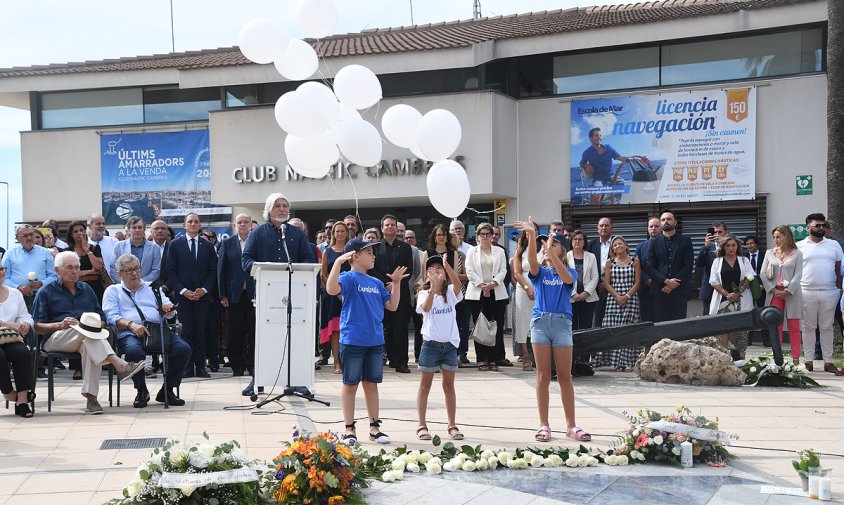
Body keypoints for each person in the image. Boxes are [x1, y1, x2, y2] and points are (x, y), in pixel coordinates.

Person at [32, 251, 144, 414]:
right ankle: (118, 363)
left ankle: (92, 399)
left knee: (89, 343)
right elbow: (36, 326)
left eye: (77, 267)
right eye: (69, 267)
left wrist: (98, 324)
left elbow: (102, 317)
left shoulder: (86, 289)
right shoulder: (46, 291)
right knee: (89, 335)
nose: (74, 271)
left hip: (84, 337)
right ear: (57, 270)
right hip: (55, 338)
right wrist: (59, 325)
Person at [513, 217, 589, 443]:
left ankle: (571, 426)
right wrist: (530, 237)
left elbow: (566, 278)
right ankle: (544, 424)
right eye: (545, 245)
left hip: (562, 324)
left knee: (565, 376)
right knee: (543, 375)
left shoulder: (570, 273)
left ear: (562, 252)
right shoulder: (541, 274)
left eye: (553, 244)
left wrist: (553, 255)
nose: (547, 247)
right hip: (541, 323)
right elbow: (532, 264)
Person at [325, 237, 407, 445]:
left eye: (373, 253)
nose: (373, 256)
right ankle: (349, 429)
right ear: (355, 256)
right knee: (350, 384)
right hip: (353, 340)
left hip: (375, 340)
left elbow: (392, 306)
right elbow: (331, 290)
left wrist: (396, 283)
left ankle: (374, 427)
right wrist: (337, 262)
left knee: (371, 384)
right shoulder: (349, 278)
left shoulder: (376, 282)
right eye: (368, 253)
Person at [240, 193, 315, 395]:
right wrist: (257, 268)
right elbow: (246, 259)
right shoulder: (258, 233)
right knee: (264, 338)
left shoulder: (297, 234)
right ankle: (259, 379)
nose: (282, 210)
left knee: (294, 336)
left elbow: (308, 259)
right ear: (268, 210)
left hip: (295, 295)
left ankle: (296, 380)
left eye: (284, 206)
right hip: (266, 294)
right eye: (277, 206)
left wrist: (300, 269)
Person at [103, 253, 192, 407]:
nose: (135, 273)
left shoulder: (153, 287)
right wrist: (131, 324)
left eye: (137, 268)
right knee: (133, 353)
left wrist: (167, 309)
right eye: (129, 270)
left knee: (183, 349)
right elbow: (111, 316)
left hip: (157, 331)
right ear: (120, 274)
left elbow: (169, 310)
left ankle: (167, 390)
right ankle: (141, 390)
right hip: (130, 332)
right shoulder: (113, 291)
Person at [415, 254, 464, 441]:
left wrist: (448, 267)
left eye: (439, 269)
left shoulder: (451, 292)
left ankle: (452, 425)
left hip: (450, 345)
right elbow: (425, 309)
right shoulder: (423, 294)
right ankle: (422, 425)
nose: (435, 272)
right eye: (431, 270)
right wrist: (433, 288)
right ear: (426, 276)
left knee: (449, 385)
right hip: (430, 345)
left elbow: (458, 285)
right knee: (425, 385)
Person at [167, 213, 218, 379]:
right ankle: (187, 367)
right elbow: (171, 271)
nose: (193, 224)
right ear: (184, 225)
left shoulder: (207, 246)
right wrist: (183, 291)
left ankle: (200, 366)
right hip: (184, 297)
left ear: (200, 225)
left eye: (196, 221)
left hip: (203, 297)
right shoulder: (175, 245)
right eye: (190, 221)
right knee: (187, 331)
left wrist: (204, 289)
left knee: (201, 332)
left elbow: (212, 271)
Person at [797, 213, 843, 374]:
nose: (821, 228)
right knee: (808, 326)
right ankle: (808, 360)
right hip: (806, 291)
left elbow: (838, 269)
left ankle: (828, 362)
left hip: (830, 292)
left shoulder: (834, 245)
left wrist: (838, 289)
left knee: (827, 327)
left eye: (823, 225)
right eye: (817, 225)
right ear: (808, 227)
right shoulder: (799, 246)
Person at [370, 215, 414, 374]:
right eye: (387, 225)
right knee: (385, 328)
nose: (390, 227)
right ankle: (389, 358)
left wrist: (395, 283)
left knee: (400, 328)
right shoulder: (374, 247)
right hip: (380, 293)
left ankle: (401, 362)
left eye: (393, 225)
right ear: (382, 228)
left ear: (397, 228)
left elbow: (409, 270)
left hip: (400, 293)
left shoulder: (406, 247)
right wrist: (385, 285)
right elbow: (371, 269)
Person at [592, 236, 642, 371]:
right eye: (614, 245)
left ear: (626, 245)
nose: (618, 246)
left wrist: (626, 296)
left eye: (620, 244)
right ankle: (613, 362)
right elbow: (607, 283)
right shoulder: (609, 262)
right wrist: (618, 297)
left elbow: (637, 282)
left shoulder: (635, 261)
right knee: (611, 328)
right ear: (612, 249)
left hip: (631, 297)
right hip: (613, 298)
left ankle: (626, 362)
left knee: (628, 329)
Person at [465, 222, 509, 371]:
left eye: (487, 234)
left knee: (495, 326)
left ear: (492, 236)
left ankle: (493, 359)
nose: (485, 236)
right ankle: (481, 358)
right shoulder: (472, 251)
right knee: (480, 326)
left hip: (496, 292)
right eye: (482, 234)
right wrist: (482, 285)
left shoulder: (499, 251)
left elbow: (503, 270)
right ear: (477, 236)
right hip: (477, 293)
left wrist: (493, 283)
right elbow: (469, 271)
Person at [218, 213, 256, 377]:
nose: (243, 225)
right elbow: (221, 270)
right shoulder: (227, 243)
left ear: (251, 225)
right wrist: (223, 295)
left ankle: (252, 364)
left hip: (254, 294)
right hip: (234, 295)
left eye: (246, 222)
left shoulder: (257, 242)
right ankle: (237, 365)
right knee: (235, 332)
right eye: (239, 222)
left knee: (253, 331)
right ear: (234, 225)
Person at [760, 225, 803, 365]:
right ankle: (777, 357)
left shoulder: (797, 253)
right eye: (774, 237)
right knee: (775, 325)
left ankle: (795, 358)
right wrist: (773, 290)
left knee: (794, 325)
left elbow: (798, 275)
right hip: (774, 293)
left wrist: (788, 291)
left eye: (779, 237)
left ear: (787, 237)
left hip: (792, 293)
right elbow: (762, 274)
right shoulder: (769, 253)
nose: (776, 240)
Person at [708, 234, 754, 362]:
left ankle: (741, 358)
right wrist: (726, 294)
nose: (731, 248)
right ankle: (725, 357)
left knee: (741, 328)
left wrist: (738, 292)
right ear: (723, 247)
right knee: (724, 327)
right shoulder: (717, 261)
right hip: (723, 300)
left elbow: (749, 278)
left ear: (737, 246)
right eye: (728, 246)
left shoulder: (744, 260)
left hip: (741, 298)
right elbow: (713, 281)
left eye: (733, 245)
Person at [0, 264, 35, 417]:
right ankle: (8, 393)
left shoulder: (15, 293)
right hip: (8, 332)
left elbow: (25, 315)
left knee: (22, 353)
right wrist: (9, 324)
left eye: (1, 269)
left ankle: (22, 400)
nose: (0, 272)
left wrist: (26, 324)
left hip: (9, 337)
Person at [646, 211, 694, 322]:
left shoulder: (685, 241)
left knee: (679, 325)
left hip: (679, 290)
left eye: (669, 219)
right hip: (659, 290)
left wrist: (673, 284)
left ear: (675, 222)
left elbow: (688, 266)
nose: (666, 221)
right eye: (663, 220)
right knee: (660, 325)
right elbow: (649, 266)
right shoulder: (653, 242)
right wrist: (666, 281)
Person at [2, 224, 58, 309]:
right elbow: (4, 278)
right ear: (17, 239)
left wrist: (42, 283)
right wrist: (18, 287)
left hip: (41, 295)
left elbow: (54, 276)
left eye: (31, 234)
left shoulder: (45, 252)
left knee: (40, 321)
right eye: (25, 236)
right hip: (17, 296)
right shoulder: (10, 254)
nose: (29, 238)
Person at [319, 221, 350, 374]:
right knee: (335, 330)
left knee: (347, 328)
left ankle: (347, 361)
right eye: (337, 231)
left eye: (342, 231)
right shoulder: (327, 252)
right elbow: (323, 274)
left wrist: (344, 292)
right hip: (331, 296)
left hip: (349, 295)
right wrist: (334, 291)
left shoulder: (351, 252)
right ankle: (336, 362)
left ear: (346, 233)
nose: (339, 234)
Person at [512, 224, 541, 371]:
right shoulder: (520, 250)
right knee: (524, 324)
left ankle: (539, 357)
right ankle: (526, 356)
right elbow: (517, 273)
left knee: (540, 324)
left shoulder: (543, 249)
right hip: (523, 292)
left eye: (535, 230)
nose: (532, 232)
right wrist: (527, 288)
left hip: (542, 292)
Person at [579, 127, 631, 205]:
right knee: (596, 196)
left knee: (631, 188)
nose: (599, 137)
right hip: (599, 179)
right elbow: (581, 163)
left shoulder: (609, 148)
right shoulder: (587, 153)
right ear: (591, 138)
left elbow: (620, 158)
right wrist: (585, 165)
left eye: (600, 135)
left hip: (612, 177)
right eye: (596, 135)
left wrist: (638, 159)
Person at [109, 216, 161, 283]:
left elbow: (156, 271)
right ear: (128, 230)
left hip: (145, 287)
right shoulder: (119, 246)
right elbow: (113, 269)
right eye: (134, 227)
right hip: (124, 288)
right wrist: (125, 284)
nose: (137, 230)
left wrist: (140, 283)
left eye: (140, 227)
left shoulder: (155, 248)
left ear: (144, 229)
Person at [696, 221, 728, 316]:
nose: (717, 235)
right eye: (715, 232)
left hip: (726, 287)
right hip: (709, 288)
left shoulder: (731, 246)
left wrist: (723, 245)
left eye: (720, 232)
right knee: (708, 317)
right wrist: (706, 246)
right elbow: (698, 263)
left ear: (726, 233)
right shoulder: (708, 248)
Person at [745, 235, 770, 346]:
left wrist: (764, 285)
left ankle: (766, 340)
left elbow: (769, 272)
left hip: (763, 289)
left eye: (751, 243)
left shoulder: (765, 256)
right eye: (747, 244)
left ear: (756, 244)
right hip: (747, 289)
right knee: (749, 313)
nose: (749, 246)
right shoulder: (743, 257)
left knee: (763, 313)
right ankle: (748, 340)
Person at [635, 217, 661, 323]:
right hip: (645, 290)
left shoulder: (667, 244)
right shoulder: (640, 246)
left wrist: (658, 279)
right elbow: (637, 266)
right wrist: (646, 279)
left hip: (662, 288)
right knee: (647, 322)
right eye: (651, 226)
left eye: (656, 226)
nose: (653, 228)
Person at [588, 217, 613, 326]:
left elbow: (622, 263)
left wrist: (607, 282)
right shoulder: (591, 244)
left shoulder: (617, 243)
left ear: (611, 228)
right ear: (597, 228)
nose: (604, 228)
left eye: (606, 225)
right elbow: (587, 266)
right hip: (595, 287)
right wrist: (596, 283)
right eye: (601, 225)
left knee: (612, 318)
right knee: (596, 319)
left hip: (613, 287)